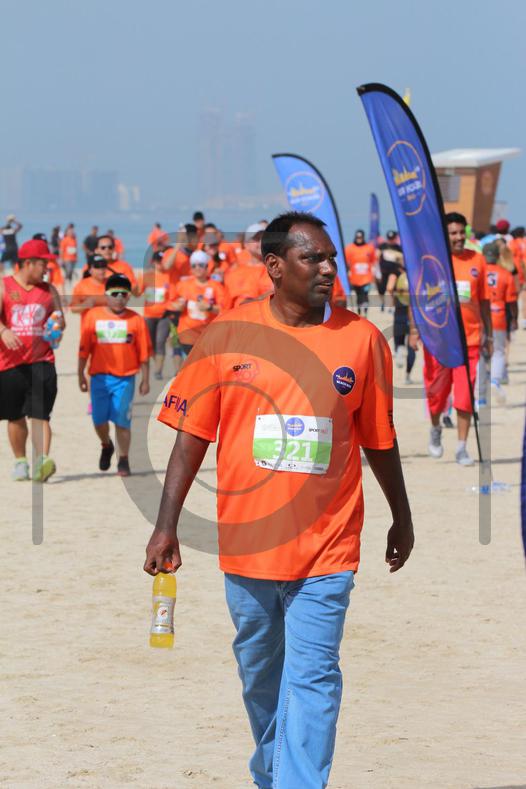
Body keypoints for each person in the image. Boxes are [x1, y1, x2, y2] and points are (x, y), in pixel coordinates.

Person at [144, 211, 414, 789]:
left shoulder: (363, 340)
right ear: (274, 266)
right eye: (312, 258)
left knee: (314, 677)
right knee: (261, 677)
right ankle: (273, 773)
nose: (328, 269)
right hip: (249, 546)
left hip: (328, 547)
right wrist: (166, 525)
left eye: (331, 258)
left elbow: (379, 439)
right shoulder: (227, 335)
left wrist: (402, 515)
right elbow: (191, 438)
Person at [414, 212, 491, 466]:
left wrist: (489, 334)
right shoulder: (432, 262)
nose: (458, 237)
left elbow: (484, 301)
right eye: (453, 233)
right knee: (437, 394)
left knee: (465, 395)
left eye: (461, 232)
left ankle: (461, 447)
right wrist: (415, 331)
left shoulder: (477, 260)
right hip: (439, 342)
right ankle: (436, 427)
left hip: (470, 340)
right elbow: (419, 299)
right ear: (444, 236)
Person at [0, 239, 65, 481]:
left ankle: (42, 461)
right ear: (28, 263)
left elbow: (60, 320)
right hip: (10, 363)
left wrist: (57, 326)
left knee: (41, 414)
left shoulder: (49, 291)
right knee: (15, 415)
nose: (47, 268)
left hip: (42, 360)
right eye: (43, 263)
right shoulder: (4, 286)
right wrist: (3, 331)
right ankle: (20, 461)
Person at [78, 274, 152, 477]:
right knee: (98, 420)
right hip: (99, 378)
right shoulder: (93, 316)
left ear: (129, 297)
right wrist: (80, 375)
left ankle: (124, 460)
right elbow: (84, 350)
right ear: (106, 295)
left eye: (124, 294)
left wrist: (145, 380)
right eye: (114, 293)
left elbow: (144, 353)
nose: (119, 298)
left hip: (125, 378)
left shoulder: (136, 320)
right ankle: (106, 445)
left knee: (122, 421)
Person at [170, 250, 226, 354]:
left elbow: (224, 309)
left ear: (206, 267)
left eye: (200, 265)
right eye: (194, 266)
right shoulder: (183, 285)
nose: (197, 268)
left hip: (208, 334)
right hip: (188, 333)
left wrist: (210, 307)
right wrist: (178, 306)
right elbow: (171, 303)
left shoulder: (216, 286)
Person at [482, 242, 518, 404]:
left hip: (480, 318)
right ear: (498, 256)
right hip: (498, 316)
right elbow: (512, 301)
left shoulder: (478, 273)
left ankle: (480, 393)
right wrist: (514, 318)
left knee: (479, 353)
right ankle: (495, 381)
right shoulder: (505, 274)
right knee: (498, 351)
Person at [138, 250, 174, 379]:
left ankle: (158, 370)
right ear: (153, 262)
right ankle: (155, 362)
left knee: (160, 341)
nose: (160, 264)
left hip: (164, 316)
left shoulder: (169, 276)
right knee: (151, 343)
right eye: (158, 261)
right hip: (149, 315)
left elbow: (173, 296)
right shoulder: (146, 277)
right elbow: (137, 292)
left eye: (163, 261)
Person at [223, 222, 272, 307]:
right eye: (256, 239)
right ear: (246, 245)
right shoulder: (235, 273)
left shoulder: (277, 270)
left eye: (264, 238)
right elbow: (226, 307)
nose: (261, 242)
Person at [386, 262, 416, 384]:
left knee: (399, 341)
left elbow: (389, 288)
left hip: (400, 313)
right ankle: (407, 376)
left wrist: (395, 295)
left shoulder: (395, 274)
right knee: (412, 346)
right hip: (414, 315)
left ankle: (399, 351)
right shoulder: (416, 274)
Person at [344, 229, 376, 316]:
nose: (359, 239)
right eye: (357, 237)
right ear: (355, 237)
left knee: (365, 294)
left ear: (363, 237)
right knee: (358, 296)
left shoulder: (370, 248)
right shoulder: (349, 248)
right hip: (355, 278)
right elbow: (345, 262)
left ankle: (365, 312)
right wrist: (347, 272)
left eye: (360, 237)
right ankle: (359, 312)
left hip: (367, 278)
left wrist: (375, 274)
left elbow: (373, 261)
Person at [70, 255, 110, 322]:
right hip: (89, 326)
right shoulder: (81, 286)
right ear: (90, 270)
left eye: (103, 266)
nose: (101, 269)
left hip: (108, 325)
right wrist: (86, 304)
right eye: (97, 266)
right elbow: (73, 309)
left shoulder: (112, 284)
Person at [377, 230, 403, 312]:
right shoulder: (382, 246)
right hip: (383, 271)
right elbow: (377, 257)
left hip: (394, 271)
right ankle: (383, 303)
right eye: (389, 238)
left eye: (392, 238)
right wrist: (377, 271)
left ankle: (392, 305)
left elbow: (401, 261)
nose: (390, 240)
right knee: (381, 290)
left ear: (395, 238)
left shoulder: (398, 248)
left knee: (390, 288)